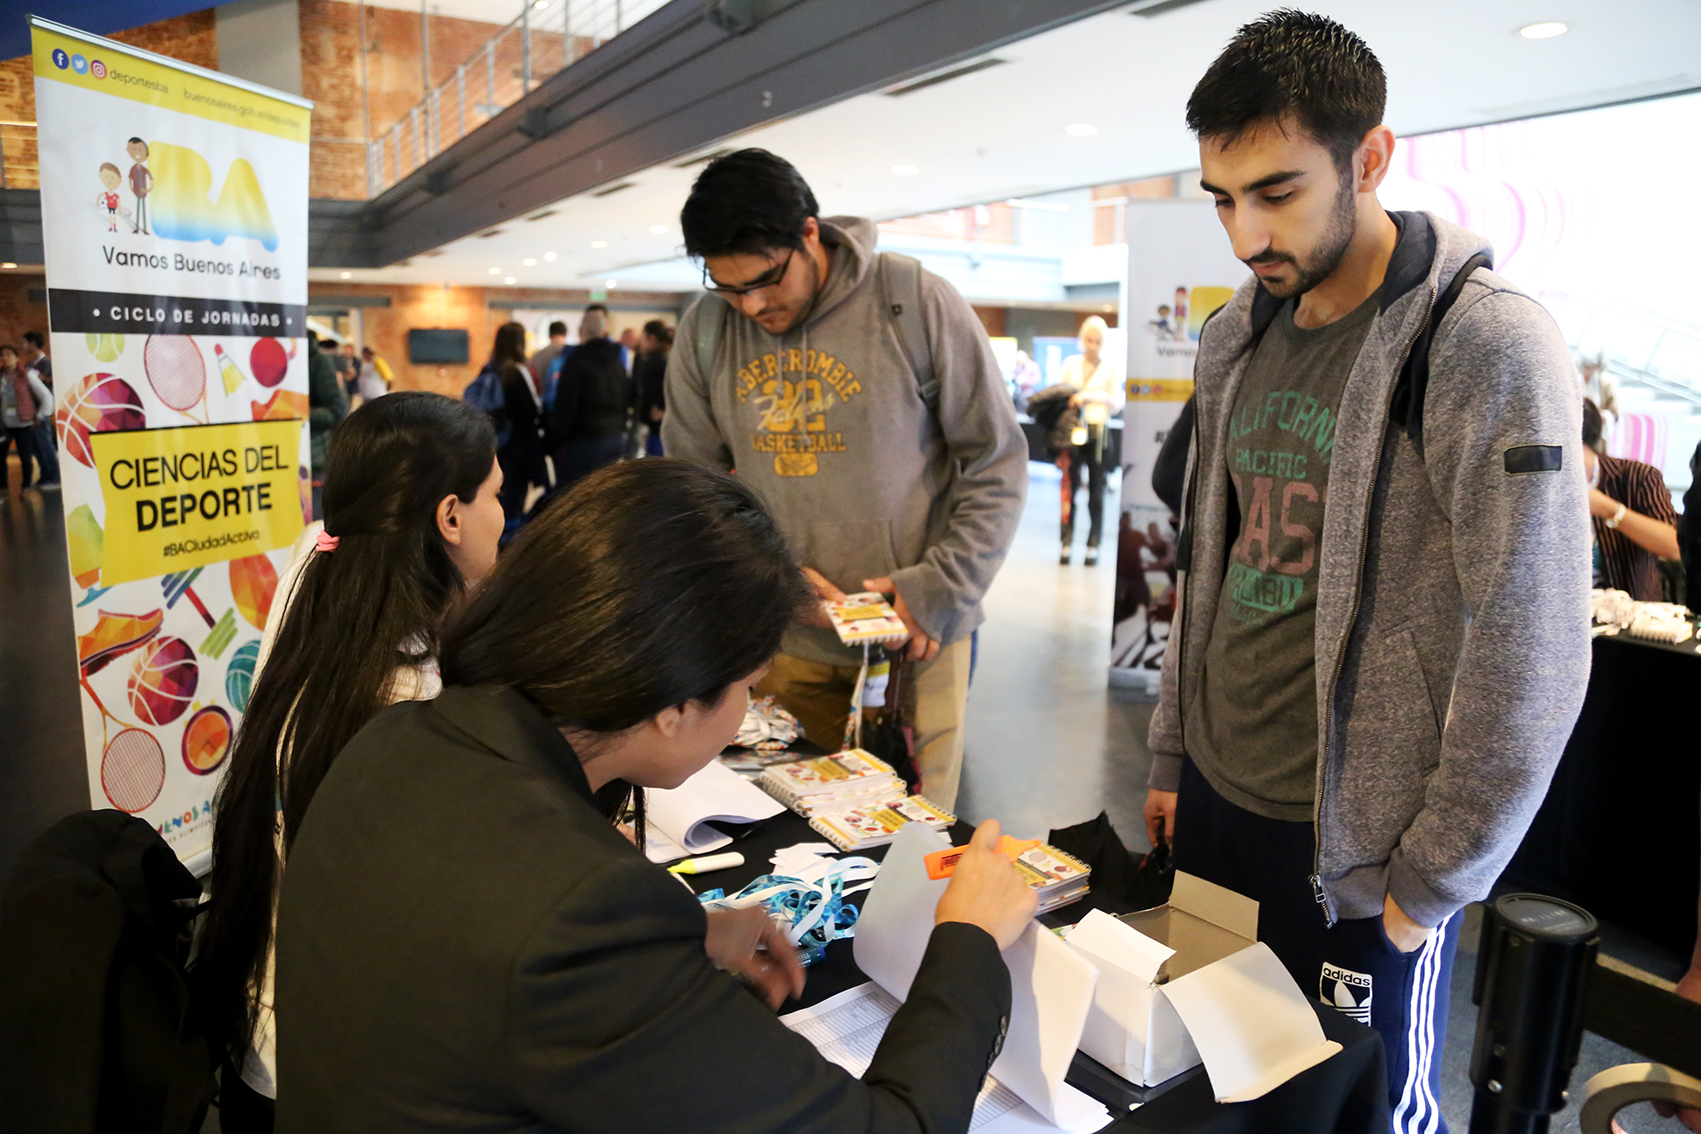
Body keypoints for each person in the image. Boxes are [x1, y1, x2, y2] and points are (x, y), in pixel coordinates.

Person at [272, 458, 1036, 1132]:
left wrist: (681, 936)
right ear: (672, 704)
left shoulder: (394, 739)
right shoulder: (580, 913)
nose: (746, 708)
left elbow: (467, 941)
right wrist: (967, 940)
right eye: (746, 686)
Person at [1140, 14, 1589, 1130]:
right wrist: (1171, 749)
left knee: (1357, 1113)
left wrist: (1430, 882)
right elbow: (1216, 555)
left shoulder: (1485, 343)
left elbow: (1530, 633)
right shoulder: (1238, 332)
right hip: (1215, 800)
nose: (1246, 234)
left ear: (1371, 159)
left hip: (1356, 848)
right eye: (1222, 198)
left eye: (1278, 192)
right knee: (1212, 1084)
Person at [664, 149, 1027, 812]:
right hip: (777, 644)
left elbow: (995, 460)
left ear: (809, 233)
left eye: (766, 280)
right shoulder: (707, 330)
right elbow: (692, 487)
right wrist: (767, 580)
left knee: (910, 837)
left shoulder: (912, 301)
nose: (751, 304)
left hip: (915, 640)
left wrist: (936, 589)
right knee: (788, 833)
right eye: (729, 287)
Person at [194, 393, 502, 1133]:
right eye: (495, 493)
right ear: (450, 517)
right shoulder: (407, 701)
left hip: (262, 1028)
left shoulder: (322, 565)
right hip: (337, 1071)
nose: (506, 513)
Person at [1582, 398, 1680, 601]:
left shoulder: (1638, 476)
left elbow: (1674, 546)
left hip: (1630, 617)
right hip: (1562, 616)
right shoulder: (1543, 487)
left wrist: (1612, 511)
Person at [1056, 315, 1125, 565]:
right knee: (1069, 489)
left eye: (1097, 341)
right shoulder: (1070, 363)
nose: (1092, 345)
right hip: (1073, 431)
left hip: (1098, 432)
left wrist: (1095, 396)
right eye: (1088, 339)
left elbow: (1117, 404)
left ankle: (1093, 544)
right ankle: (1066, 541)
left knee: (1096, 491)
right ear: (1082, 339)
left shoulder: (1111, 367)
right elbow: (1060, 394)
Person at [475, 322, 549, 533]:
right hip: (519, 445)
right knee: (515, 499)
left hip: (495, 445)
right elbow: (531, 411)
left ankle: (495, 538)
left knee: (498, 495)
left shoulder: (488, 370)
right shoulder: (516, 372)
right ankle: (510, 545)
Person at [549, 306, 630, 488]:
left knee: (573, 495)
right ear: (604, 331)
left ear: (581, 330)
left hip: (583, 440)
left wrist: (558, 441)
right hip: (614, 438)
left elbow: (566, 404)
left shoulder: (576, 361)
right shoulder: (617, 360)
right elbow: (627, 396)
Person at [306, 333, 349, 520]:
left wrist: (295, 413)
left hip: (313, 463)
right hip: (270, 463)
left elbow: (336, 411)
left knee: (315, 535)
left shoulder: (317, 361)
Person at [0, 344, 52, 494]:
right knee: (0, 458)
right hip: (5, 424)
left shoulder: (27, 375)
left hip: (24, 423)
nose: (6, 358)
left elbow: (46, 397)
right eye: (3, 355)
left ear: (17, 358)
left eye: (9, 355)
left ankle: (26, 486)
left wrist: (41, 415)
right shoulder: (1, 376)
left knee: (25, 457)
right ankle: (3, 489)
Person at [19, 331, 59, 489]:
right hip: (30, 411)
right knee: (36, 445)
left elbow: (47, 383)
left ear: (33, 343)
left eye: (24, 342)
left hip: (42, 410)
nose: (22, 345)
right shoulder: (29, 364)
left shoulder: (46, 363)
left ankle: (54, 477)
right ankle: (45, 475)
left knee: (45, 443)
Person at [633, 319, 672, 456]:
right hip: (655, 427)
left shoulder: (659, 361)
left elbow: (669, 384)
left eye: (643, 337)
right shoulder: (657, 359)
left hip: (658, 428)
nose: (640, 342)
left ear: (651, 338)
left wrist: (660, 406)